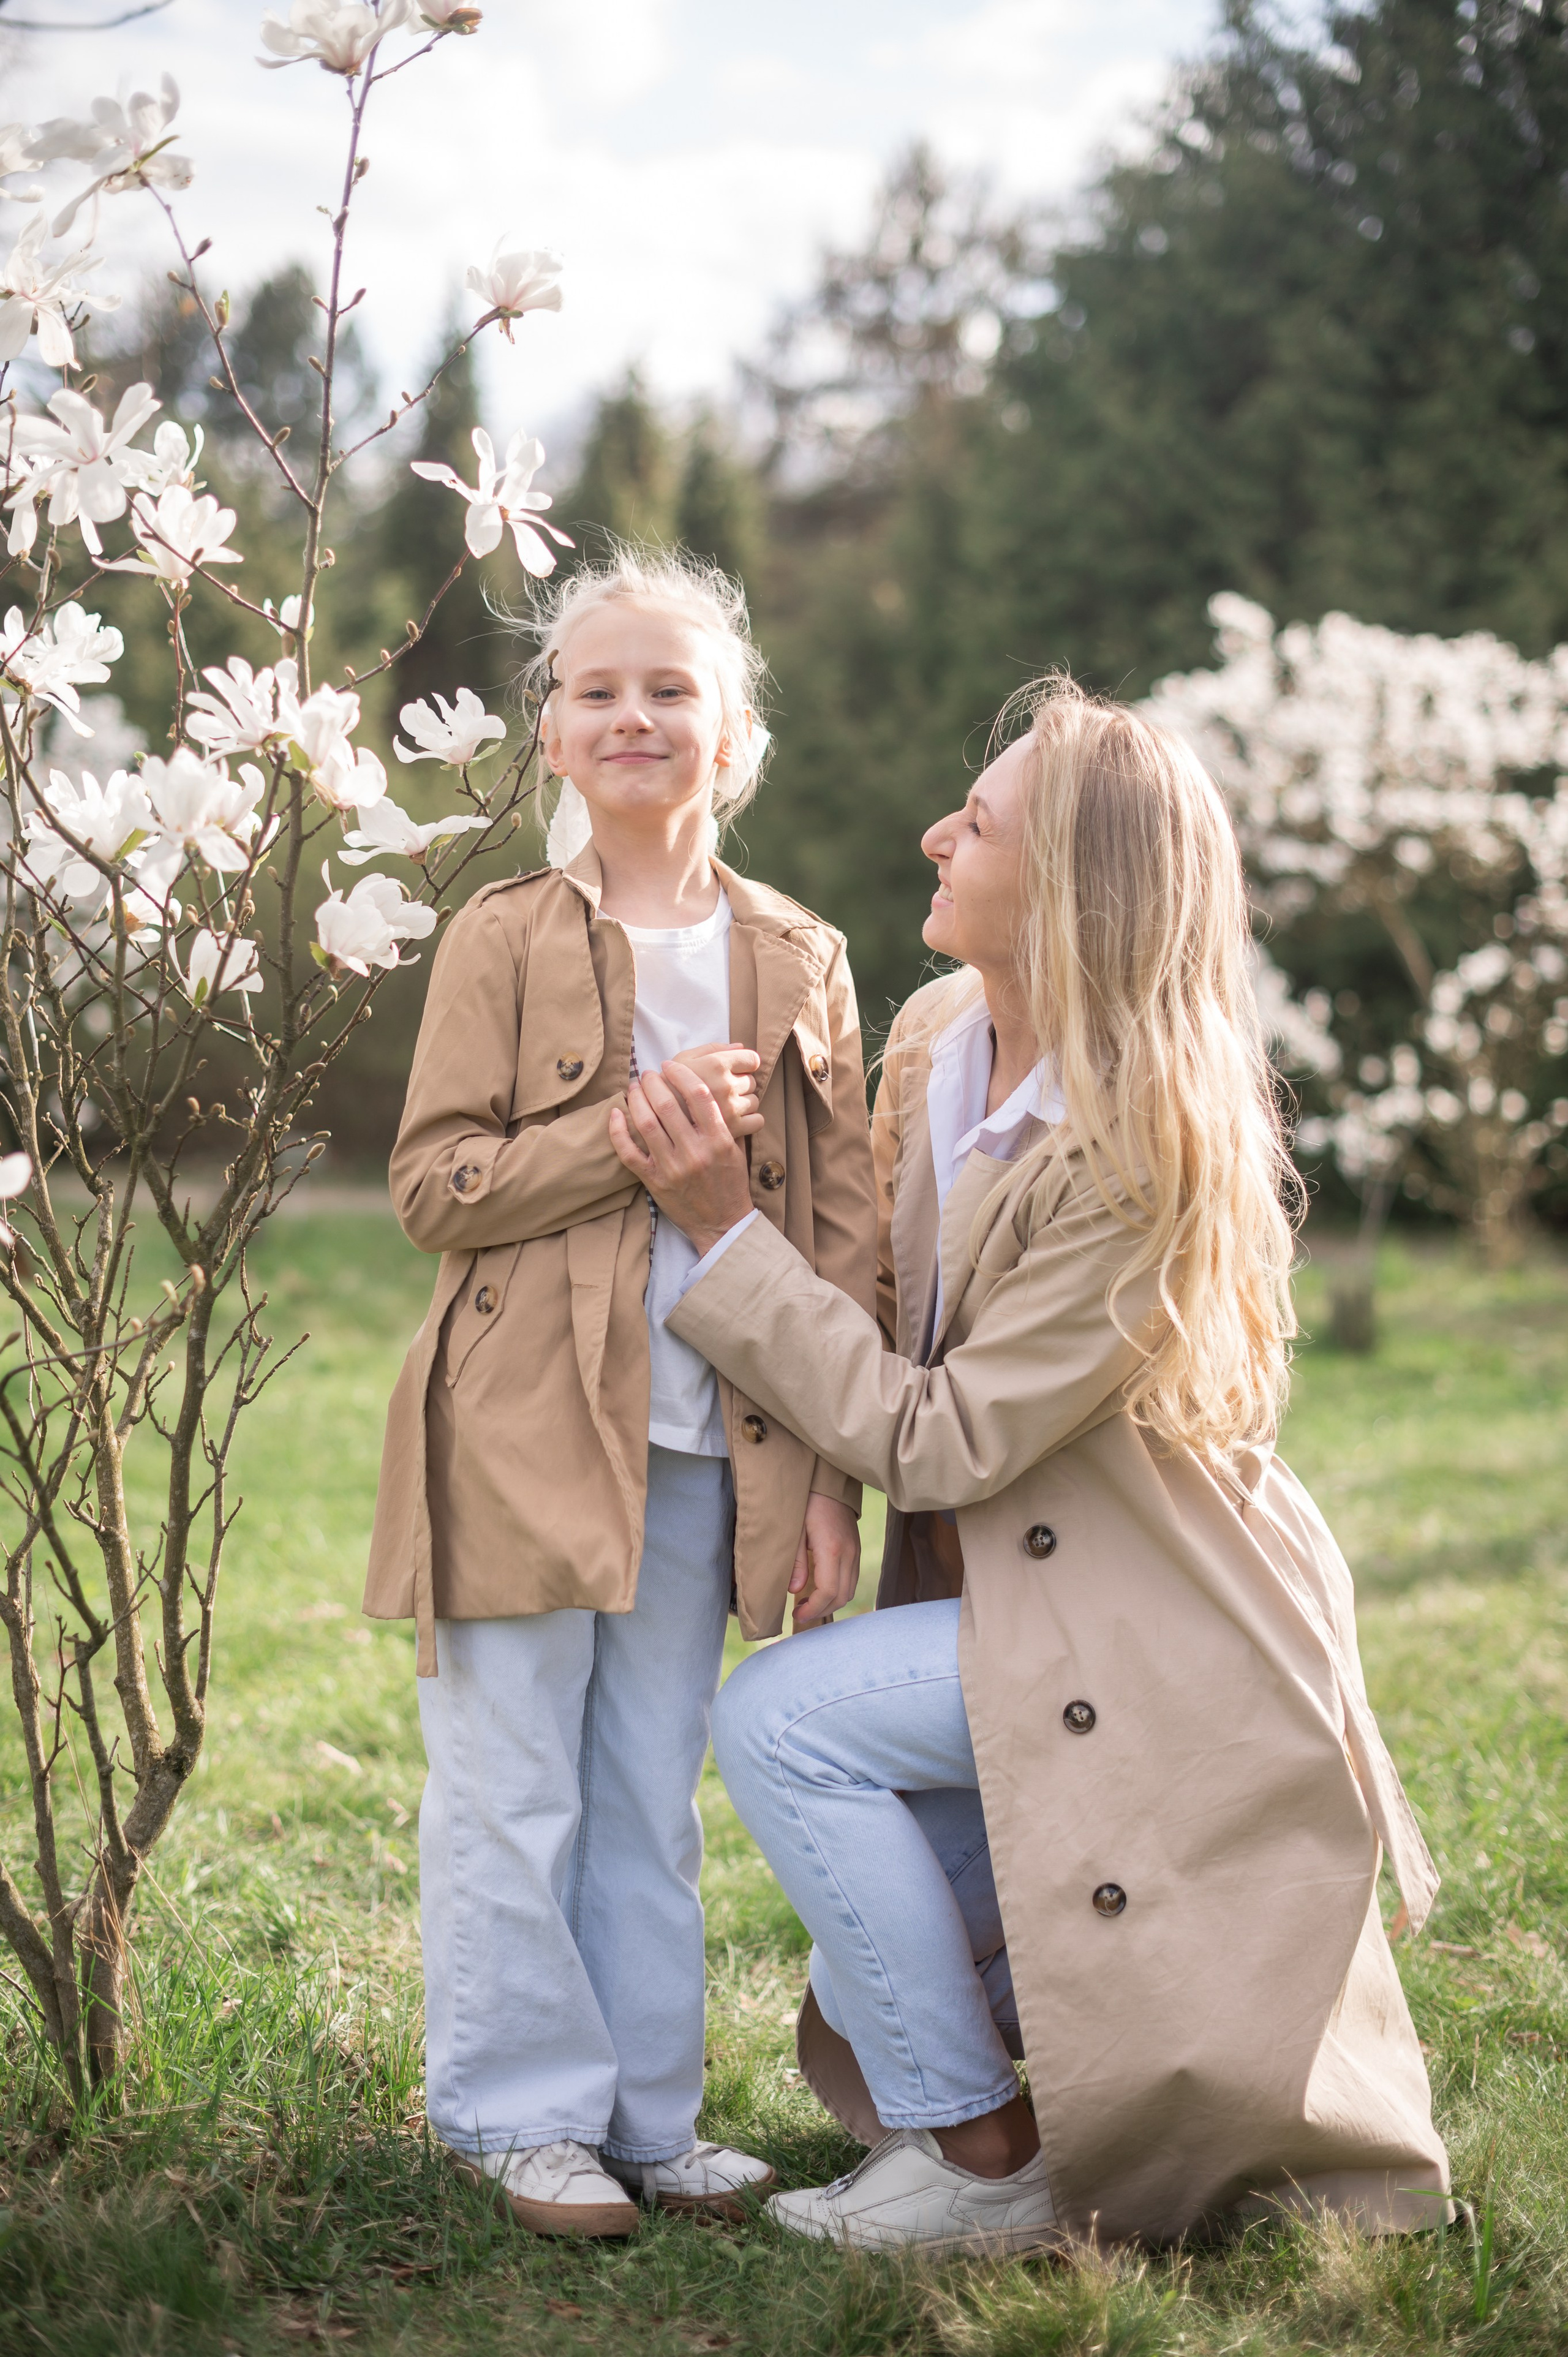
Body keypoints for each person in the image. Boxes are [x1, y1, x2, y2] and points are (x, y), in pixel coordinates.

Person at [608, 675, 1451, 2257]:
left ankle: (987, 2163)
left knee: (788, 1726)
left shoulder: (1141, 1150)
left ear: (1062, 883)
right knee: (904, 1859)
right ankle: (991, 2128)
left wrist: (719, 1229)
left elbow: (947, 1428)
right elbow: (869, 1307)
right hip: (1017, 1597)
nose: (937, 833)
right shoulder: (936, 1037)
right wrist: (829, 1507)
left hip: (1158, 1618)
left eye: (976, 822)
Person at [363, 551, 877, 2238]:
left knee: (651, 1789)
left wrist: (820, 1480)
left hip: (706, 1446)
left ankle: (649, 2117)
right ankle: (519, 2118)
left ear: (733, 739)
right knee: (514, 1782)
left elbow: (842, 1243)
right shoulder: (501, 938)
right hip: (518, 1429)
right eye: (599, 690)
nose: (635, 714)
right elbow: (435, 1187)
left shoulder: (805, 958)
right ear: (553, 736)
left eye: (673, 690)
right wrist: (628, 1141)